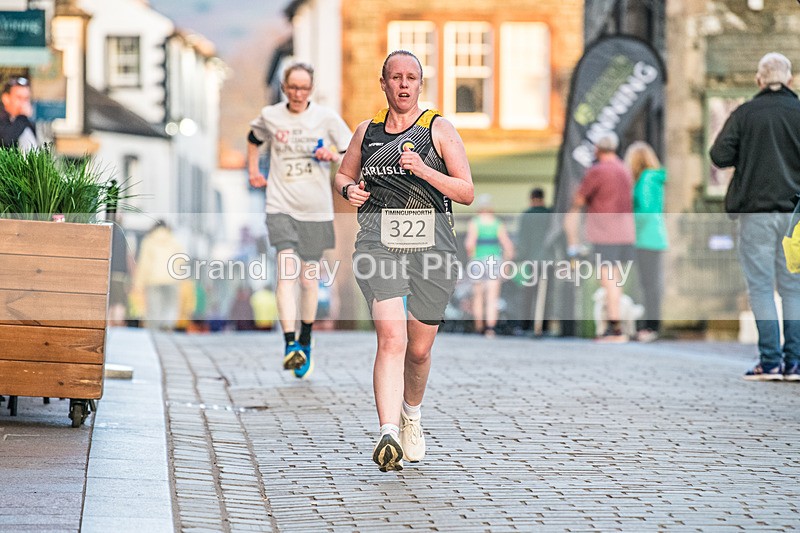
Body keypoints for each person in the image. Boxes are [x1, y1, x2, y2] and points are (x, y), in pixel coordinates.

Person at [334, 50, 474, 472]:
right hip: (378, 244)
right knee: (391, 338)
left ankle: (411, 414)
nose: (404, 84)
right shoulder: (367, 131)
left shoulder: (439, 129)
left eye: (411, 77)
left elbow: (465, 191)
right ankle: (387, 432)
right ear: (384, 83)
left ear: (420, 83)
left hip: (433, 248)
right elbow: (343, 174)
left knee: (418, 349)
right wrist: (347, 191)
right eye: (396, 77)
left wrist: (422, 170)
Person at [247, 62, 352, 379]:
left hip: (316, 210)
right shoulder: (271, 116)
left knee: (309, 281)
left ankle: (306, 340)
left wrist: (331, 156)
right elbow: (253, 138)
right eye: (292, 87)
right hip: (280, 205)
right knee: (285, 274)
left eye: (304, 88)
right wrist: (254, 170)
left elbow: (350, 153)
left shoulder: (326, 118)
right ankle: (289, 343)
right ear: (284, 87)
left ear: (312, 89)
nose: (297, 93)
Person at [710, 52, 800, 382]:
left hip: (756, 214)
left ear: (759, 81)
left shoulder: (745, 114)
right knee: (794, 288)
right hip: (795, 216)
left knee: (761, 288)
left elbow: (719, 156)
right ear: (789, 80)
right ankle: (795, 363)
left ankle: (770, 361)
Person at [564, 132, 636, 342]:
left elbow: (579, 199)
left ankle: (614, 327)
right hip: (625, 232)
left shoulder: (598, 171)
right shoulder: (624, 169)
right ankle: (615, 325)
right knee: (615, 279)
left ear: (597, 149)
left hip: (606, 233)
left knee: (608, 280)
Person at [624, 141, 668, 343]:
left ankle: (651, 327)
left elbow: (646, 211)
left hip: (646, 237)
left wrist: (629, 226)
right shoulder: (652, 178)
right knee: (648, 284)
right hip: (651, 236)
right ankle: (649, 326)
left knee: (649, 285)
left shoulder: (647, 179)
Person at [464, 194, 514, 337]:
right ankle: (490, 329)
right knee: (492, 297)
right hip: (494, 261)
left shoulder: (474, 223)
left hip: (478, 261)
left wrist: (471, 258)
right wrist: (506, 264)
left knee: (478, 295)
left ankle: (479, 326)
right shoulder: (498, 223)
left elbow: (469, 244)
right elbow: (508, 246)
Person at [131, 220, 187, 330]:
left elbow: (144, 263)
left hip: (153, 279)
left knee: (154, 307)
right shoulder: (174, 240)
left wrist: (138, 283)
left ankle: (155, 332)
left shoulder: (149, 241)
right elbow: (182, 261)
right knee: (170, 305)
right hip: (171, 279)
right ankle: (167, 324)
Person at [514, 187, 553, 335]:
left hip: (531, 260)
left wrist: (519, 257)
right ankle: (544, 326)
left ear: (531, 198)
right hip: (549, 259)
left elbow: (523, 240)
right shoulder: (551, 214)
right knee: (547, 294)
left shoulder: (527, 215)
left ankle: (525, 325)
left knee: (528, 293)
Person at [0, 76, 37, 151]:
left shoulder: (25, 121)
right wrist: (22, 116)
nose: (24, 103)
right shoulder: (3, 118)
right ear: (6, 98)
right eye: (19, 98)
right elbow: (6, 140)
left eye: (26, 98)